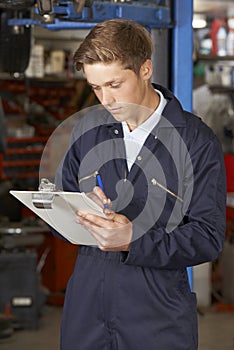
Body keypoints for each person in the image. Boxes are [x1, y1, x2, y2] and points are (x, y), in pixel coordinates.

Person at [54, 19, 226, 350]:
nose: (105, 98)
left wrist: (133, 239)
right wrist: (78, 211)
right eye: (96, 87)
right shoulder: (88, 129)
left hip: (156, 312)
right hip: (86, 307)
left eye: (115, 84)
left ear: (145, 69)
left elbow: (207, 237)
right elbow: (64, 206)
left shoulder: (195, 141)